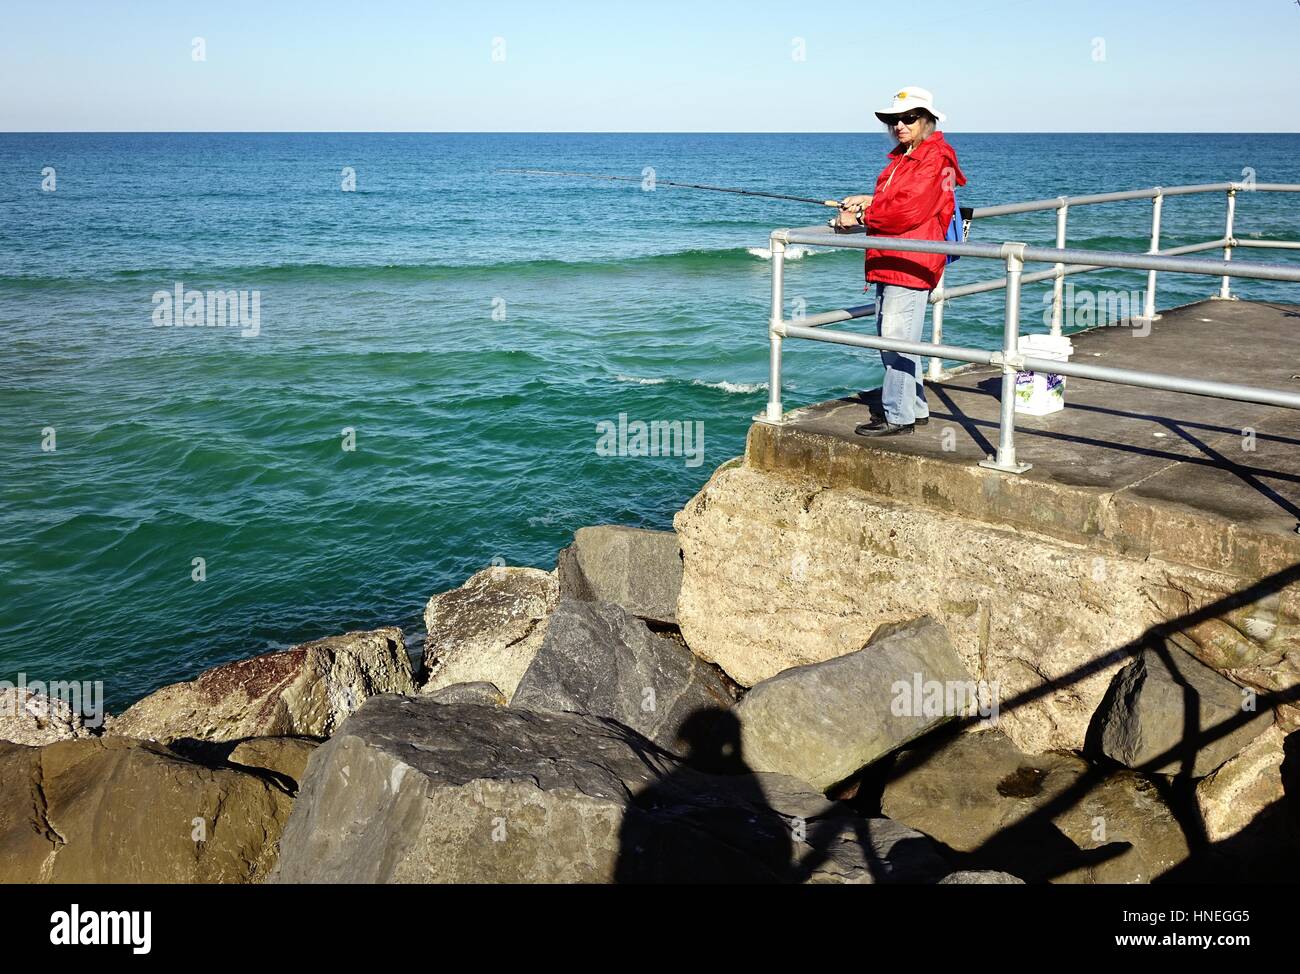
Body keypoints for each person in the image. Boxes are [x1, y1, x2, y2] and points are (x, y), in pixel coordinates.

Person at [834, 86, 967, 436]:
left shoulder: (934, 158)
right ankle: (915, 408)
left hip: (910, 261)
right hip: (897, 259)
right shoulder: (909, 156)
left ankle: (898, 417)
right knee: (902, 337)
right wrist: (867, 200)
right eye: (895, 120)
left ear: (927, 120)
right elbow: (899, 200)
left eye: (909, 118)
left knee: (894, 337)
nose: (900, 125)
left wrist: (861, 218)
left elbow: (909, 210)